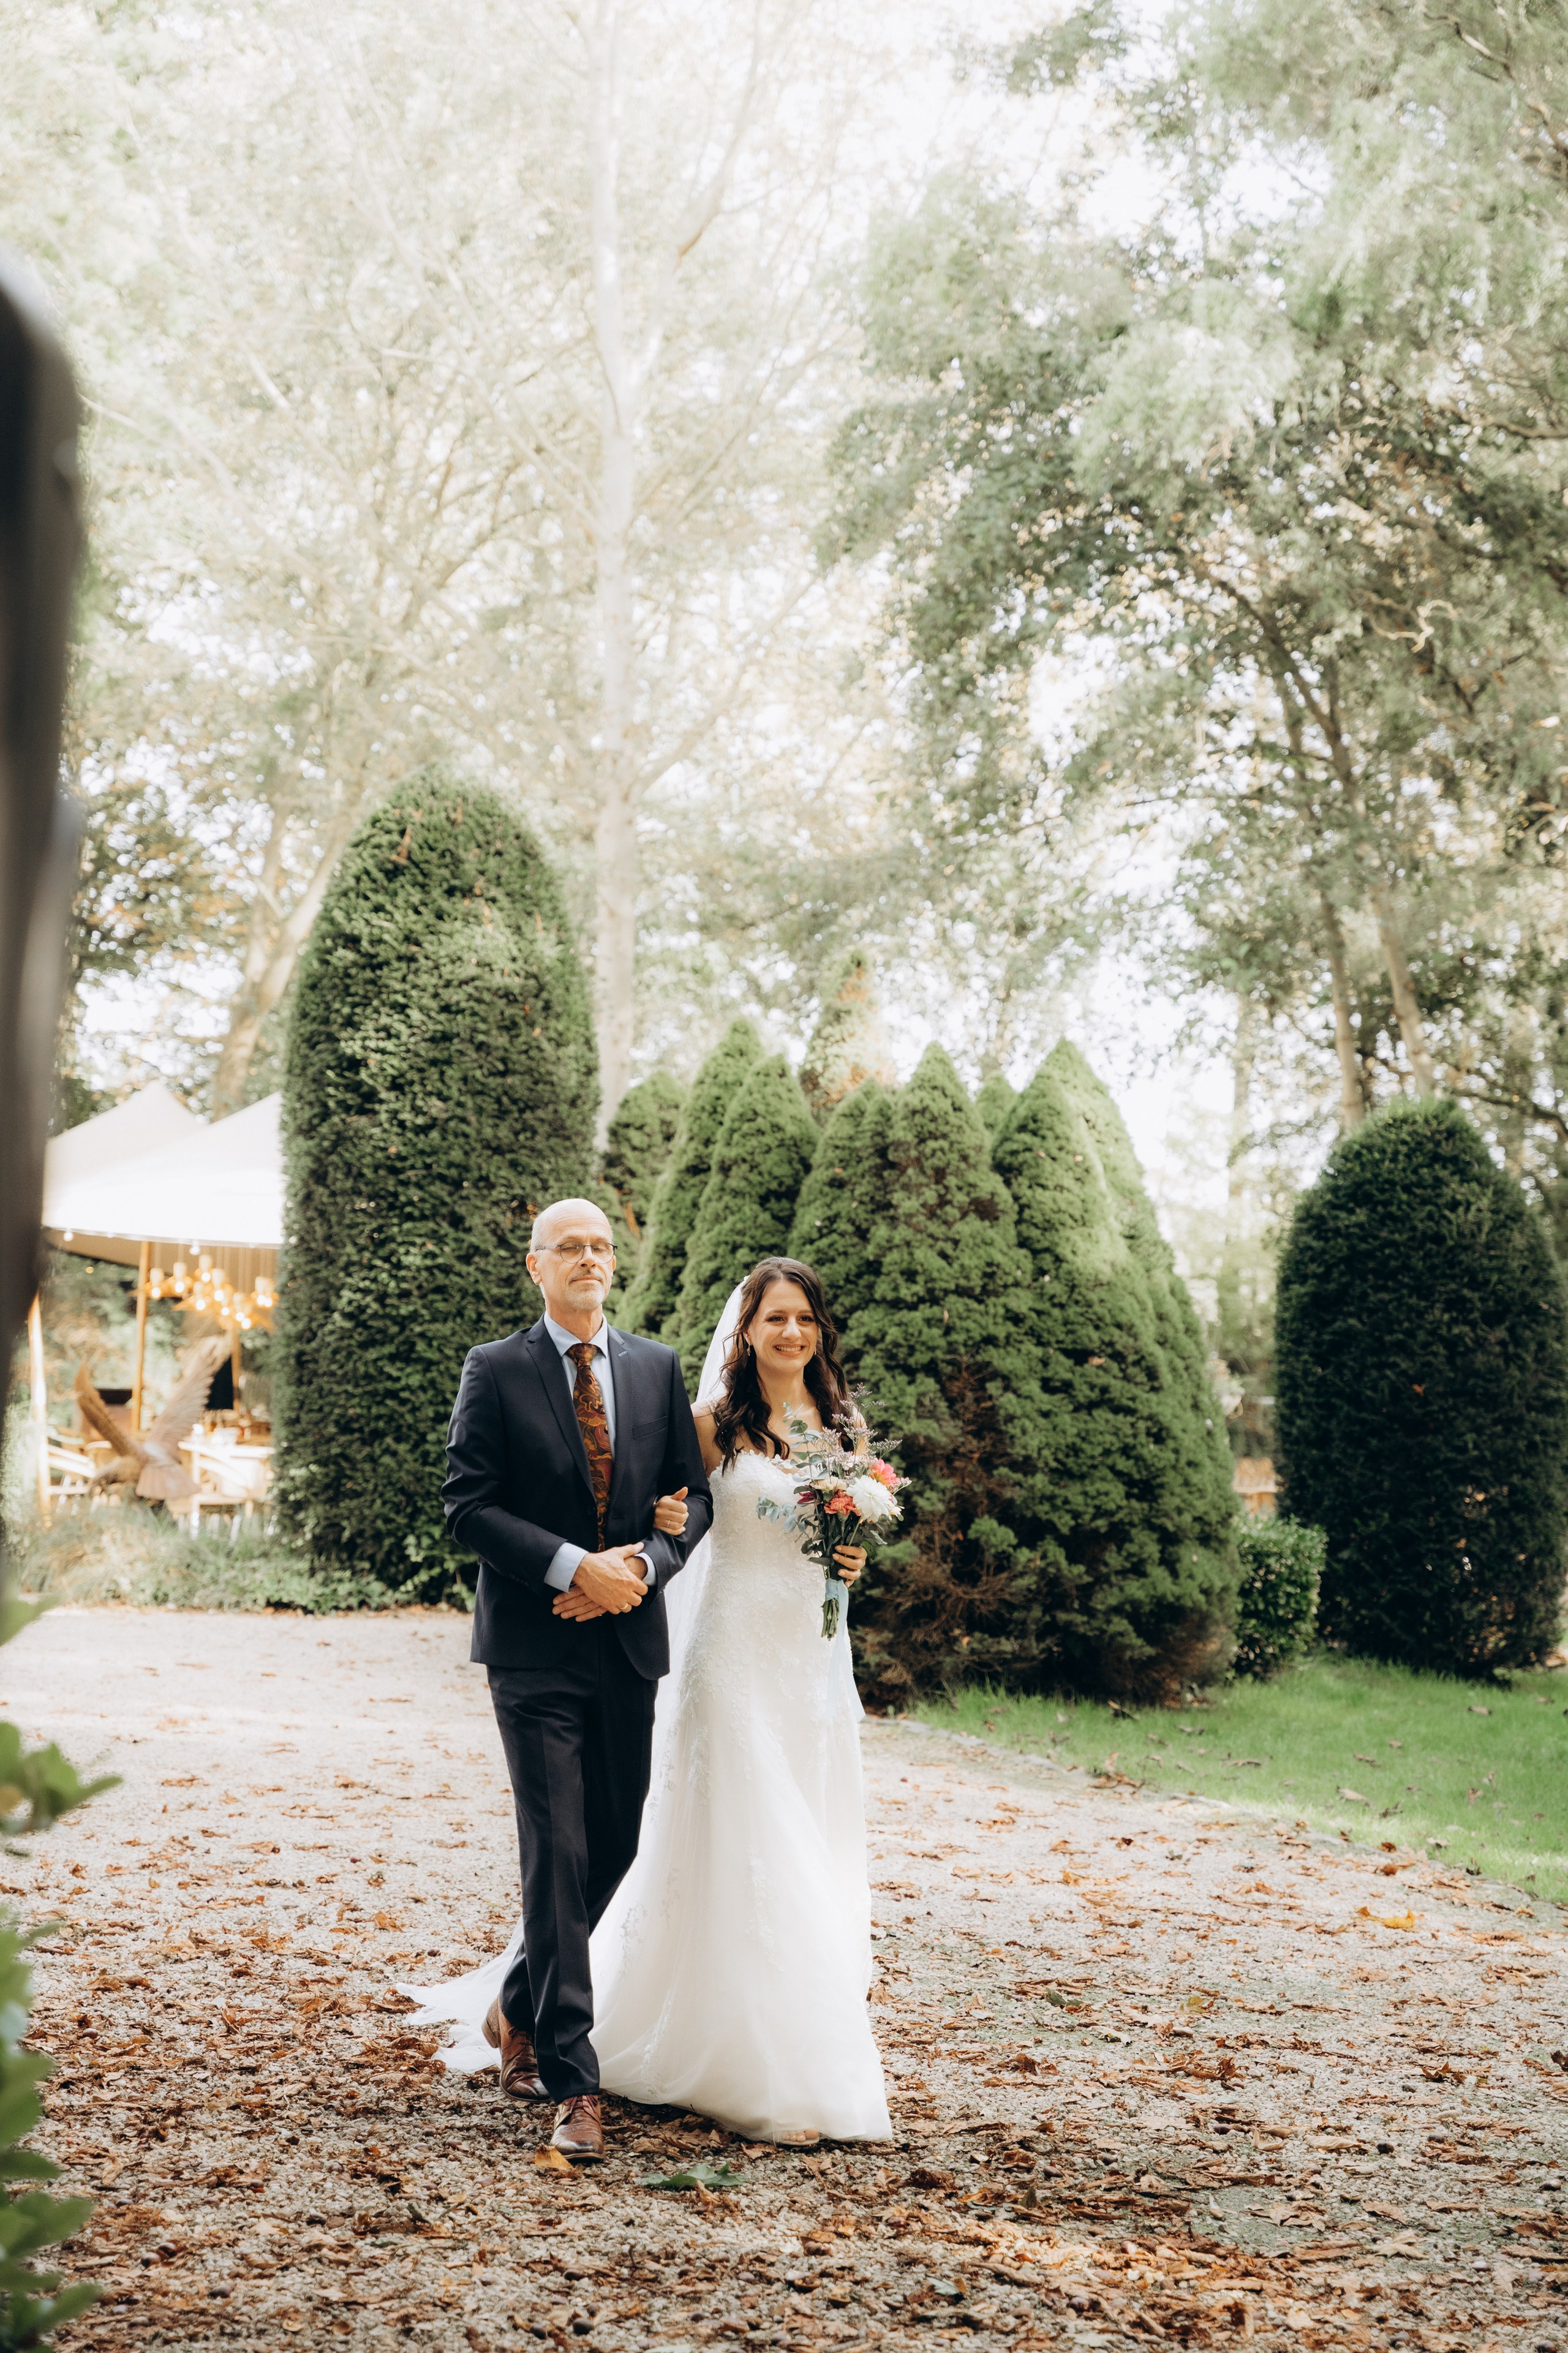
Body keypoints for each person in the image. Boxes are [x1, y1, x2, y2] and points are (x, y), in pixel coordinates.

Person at [411, 1253, 890, 2148]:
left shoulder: (839, 1426)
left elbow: (832, 1533)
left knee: (804, 1837)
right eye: (775, 1317)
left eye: (806, 1318)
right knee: (753, 1839)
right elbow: (658, 1508)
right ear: (745, 1329)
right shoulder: (711, 1422)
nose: (792, 1331)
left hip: (810, 1661)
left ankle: (532, 2002)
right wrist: (614, 1572)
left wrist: (850, 1558)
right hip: (734, 1654)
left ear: (821, 1330)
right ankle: (754, 2058)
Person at [440, 1197, 712, 2161]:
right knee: (555, 1848)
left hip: (626, 1645)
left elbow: (694, 1498)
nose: (588, 1258)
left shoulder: (655, 1367)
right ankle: (573, 2078)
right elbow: (466, 1504)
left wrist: (637, 1570)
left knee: (615, 1840)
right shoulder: (497, 1369)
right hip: (532, 1650)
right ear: (537, 1267)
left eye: (600, 1245)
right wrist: (569, 1564)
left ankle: (517, 2000)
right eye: (570, 1247)